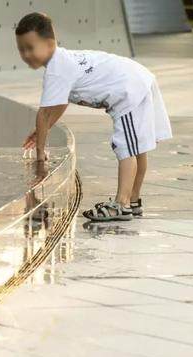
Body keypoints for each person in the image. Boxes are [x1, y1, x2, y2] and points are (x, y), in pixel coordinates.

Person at [16, 12, 173, 222]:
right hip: (136, 78)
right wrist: (42, 131)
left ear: (49, 43)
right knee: (137, 147)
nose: (25, 54)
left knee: (125, 147)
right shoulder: (63, 61)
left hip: (127, 89)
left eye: (30, 48)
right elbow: (61, 103)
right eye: (21, 49)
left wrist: (40, 154)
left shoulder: (57, 69)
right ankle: (132, 200)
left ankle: (121, 204)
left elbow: (44, 113)